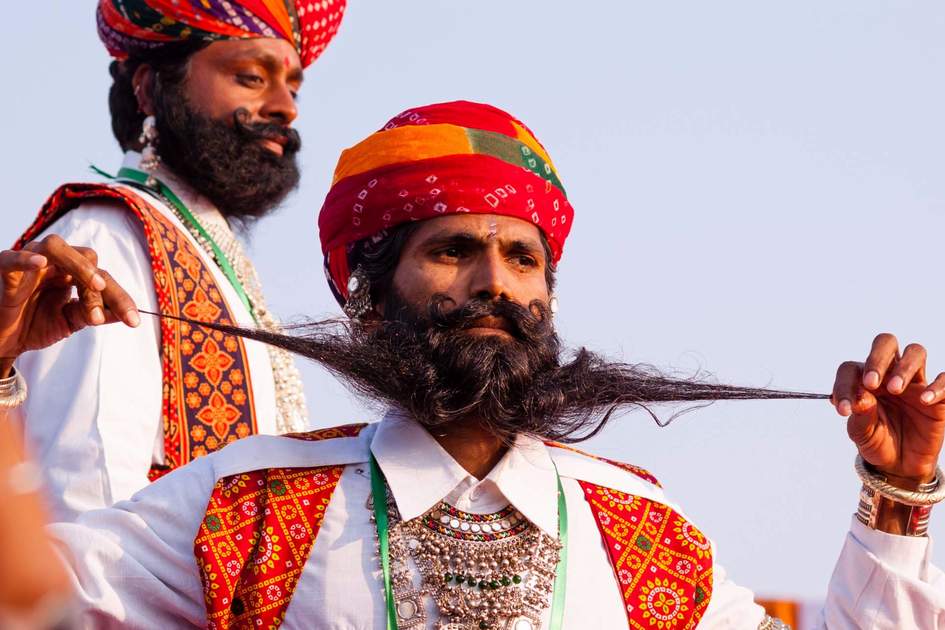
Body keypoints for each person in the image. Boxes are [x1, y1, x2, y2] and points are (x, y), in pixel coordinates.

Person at [1, 100, 943, 628]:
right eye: (452, 251)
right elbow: (24, 601)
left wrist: (897, 496)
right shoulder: (245, 507)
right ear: (370, 300)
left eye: (523, 258)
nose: (495, 281)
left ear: (549, 301)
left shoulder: (639, 528)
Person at [13, 0, 347, 521]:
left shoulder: (200, 246)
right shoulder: (105, 236)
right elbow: (85, 505)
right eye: (251, 77)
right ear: (149, 88)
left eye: (294, 88)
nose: (287, 107)